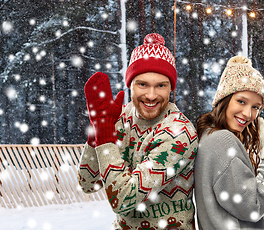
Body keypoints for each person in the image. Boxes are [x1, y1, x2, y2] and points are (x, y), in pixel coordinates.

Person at [78, 33, 198, 230]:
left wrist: (105, 136)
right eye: (142, 84)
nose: (151, 95)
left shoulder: (179, 133)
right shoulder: (120, 117)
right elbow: (88, 183)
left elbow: (124, 200)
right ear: (130, 85)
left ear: (171, 89)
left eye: (161, 85)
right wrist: (97, 132)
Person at [194, 55, 264, 230]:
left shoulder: (208, 135)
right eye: (241, 101)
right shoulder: (222, 141)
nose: (248, 114)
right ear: (224, 99)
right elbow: (252, 206)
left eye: (256, 107)